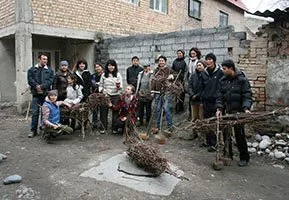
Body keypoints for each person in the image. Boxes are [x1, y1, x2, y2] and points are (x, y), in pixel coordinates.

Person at [216, 59, 252, 167]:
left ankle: (244, 157)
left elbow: (247, 95)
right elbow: (219, 96)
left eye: (224, 69)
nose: (223, 71)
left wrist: (246, 108)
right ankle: (228, 154)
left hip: (238, 112)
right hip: (227, 111)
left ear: (231, 69)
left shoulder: (242, 80)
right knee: (226, 134)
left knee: (239, 135)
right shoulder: (222, 80)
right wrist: (218, 108)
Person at [199, 53, 224, 152]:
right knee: (207, 121)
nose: (208, 61)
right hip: (206, 101)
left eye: (210, 59)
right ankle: (208, 141)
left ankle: (215, 143)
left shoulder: (219, 73)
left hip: (215, 101)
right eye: (207, 59)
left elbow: (221, 87)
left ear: (214, 61)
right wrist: (202, 97)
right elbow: (201, 87)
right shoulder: (204, 73)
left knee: (215, 122)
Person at [27, 53, 54, 138]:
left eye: (46, 59)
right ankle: (33, 130)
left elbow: (50, 81)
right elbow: (30, 80)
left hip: (45, 94)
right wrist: (36, 86)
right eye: (43, 59)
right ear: (39, 59)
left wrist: (42, 87)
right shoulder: (32, 69)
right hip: (36, 94)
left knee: (45, 113)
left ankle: (43, 129)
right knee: (35, 113)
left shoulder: (50, 70)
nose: (45, 61)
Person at [99, 59, 123, 134]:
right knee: (103, 111)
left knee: (115, 111)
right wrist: (103, 91)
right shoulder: (103, 75)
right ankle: (103, 127)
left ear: (115, 66)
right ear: (107, 66)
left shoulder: (118, 74)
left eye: (112, 65)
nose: (111, 67)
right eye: (109, 65)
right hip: (106, 95)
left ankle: (114, 128)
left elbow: (121, 86)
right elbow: (100, 85)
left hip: (115, 95)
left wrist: (119, 87)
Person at [151, 55, 174, 132]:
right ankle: (158, 126)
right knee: (157, 109)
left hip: (166, 92)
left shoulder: (169, 69)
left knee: (166, 108)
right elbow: (153, 80)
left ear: (165, 61)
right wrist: (152, 90)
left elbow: (175, 76)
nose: (161, 62)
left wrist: (172, 76)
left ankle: (170, 126)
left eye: (162, 61)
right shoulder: (156, 70)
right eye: (159, 61)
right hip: (157, 92)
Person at [186, 47, 201, 121]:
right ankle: (190, 115)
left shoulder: (198, 62)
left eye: (194, 53)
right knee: (190, 100)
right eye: (191, 53)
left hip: (197, 80)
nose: (192, 55)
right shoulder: (189, 61)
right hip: (191, 79)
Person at [172, 49, 187, 114]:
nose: (179, 54)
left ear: (183, 54)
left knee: (181, 94)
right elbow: (172, 70)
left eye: (180, 53)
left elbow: (186, 71)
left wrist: (184, 79)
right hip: (176, 80)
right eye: (178, 53)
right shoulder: (175, 61)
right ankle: (176, 108)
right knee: (176, 94)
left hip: (182, 80)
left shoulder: (185, 61)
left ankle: (181, 108)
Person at [91, 63, 104, 129]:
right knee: (95, 109)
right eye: (96, 67)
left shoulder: (104, 75)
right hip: (95, 94)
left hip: (102, 94)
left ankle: (102, 123)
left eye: (99, 66)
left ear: (101, 67)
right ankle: (94, 123)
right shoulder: (93, 75)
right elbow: (92, 84)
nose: (97, 68)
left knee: (102, 109)